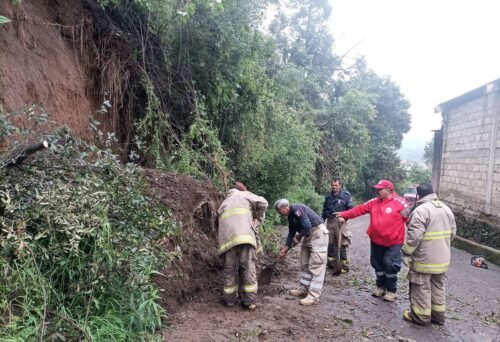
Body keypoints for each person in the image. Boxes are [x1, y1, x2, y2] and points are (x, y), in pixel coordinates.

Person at [337, 180, 410, 302]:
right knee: (377, 264)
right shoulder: (373, 202)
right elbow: (359, 210)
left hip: (394, 242)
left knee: (390, 264)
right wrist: (344, 215)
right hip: (376, 240)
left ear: (388, 189)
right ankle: (380, 286)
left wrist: (414, 239)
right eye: (377, 189)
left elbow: (410, 222)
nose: (377, 191)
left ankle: (391, 290)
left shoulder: (401, 203)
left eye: (380, 189)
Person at [402, 183, 456, 326]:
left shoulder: (421, 211)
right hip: (443, 260)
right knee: (438, 286)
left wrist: (406, 252)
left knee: (421, 287)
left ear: (418, 195)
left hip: (424, 260)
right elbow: (453, 234)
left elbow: (414, 237)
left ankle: (421, 317)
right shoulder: (447, 209)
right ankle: (438, 317)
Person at [217, 182, 268, 310]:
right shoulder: (244, 195)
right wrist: (255, 217)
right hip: (245, 238)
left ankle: (229, 301)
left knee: (229, 271)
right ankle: (249, 301)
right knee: (247, 268)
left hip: (227, 243)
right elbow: (264, 203)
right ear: (241, 189)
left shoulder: (224, 203)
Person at [275, 199, 329, 306]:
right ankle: (303, 289)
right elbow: (291, 232)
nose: (280, 214)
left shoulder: (296, 209)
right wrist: (286, 247)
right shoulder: (290, 215)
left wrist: (298, 237)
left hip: (318, 234)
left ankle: (314, 296)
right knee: (305, 262)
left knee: (316, 264)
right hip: (308, 236)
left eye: (279, 211)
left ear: (284, 207)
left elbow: (307, 225)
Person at [322, 177, 354, 273]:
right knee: (330, 244)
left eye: (336, 185)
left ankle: (344, 266)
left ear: (340, 185)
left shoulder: (346, 196)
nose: (334, 187)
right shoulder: (328, 196)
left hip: (341, 221)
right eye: (332, 185)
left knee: (342, 244)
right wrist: (321, 222)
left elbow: (351, 210)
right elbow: (324, 211)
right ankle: (332, 264)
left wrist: (344, 218)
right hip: (330, 221)